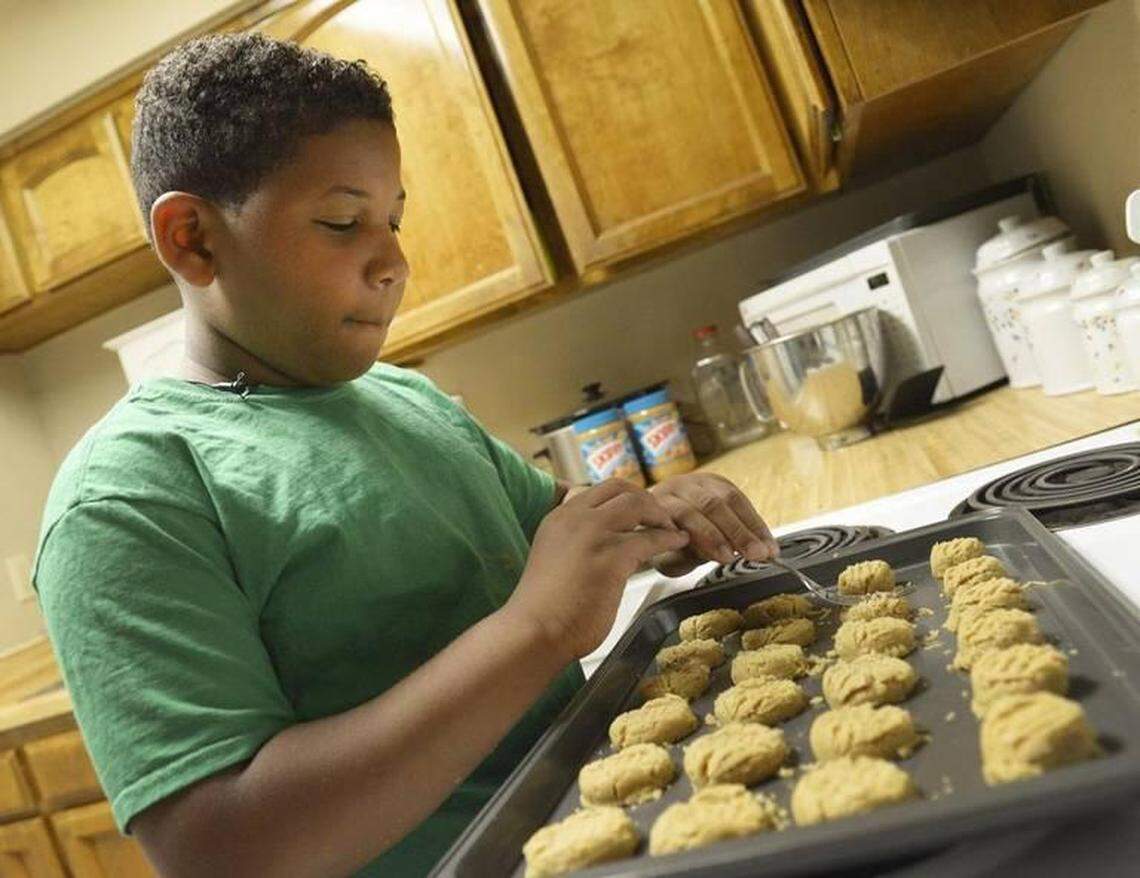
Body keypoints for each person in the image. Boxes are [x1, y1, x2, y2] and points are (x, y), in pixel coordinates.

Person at [32, 32, 779, 878]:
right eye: (343, 222)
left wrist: (645, 520)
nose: (395, 260)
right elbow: (221, 849)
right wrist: (536, 630)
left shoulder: (405, 398)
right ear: (194, 239)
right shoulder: (131, 494)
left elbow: (549, 534)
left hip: (630, 828)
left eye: (393, 219)